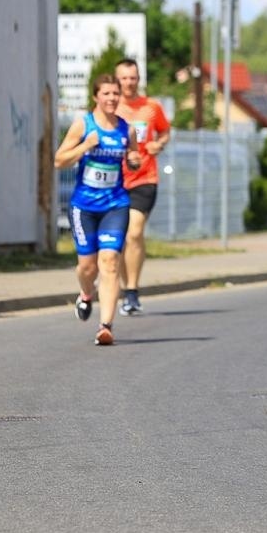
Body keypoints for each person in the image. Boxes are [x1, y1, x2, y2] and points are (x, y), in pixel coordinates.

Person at [53, 73, 141, 345]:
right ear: (96, 97)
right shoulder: (84, 125)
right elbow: (59, 161)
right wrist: (85, 146)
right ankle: (85, 293)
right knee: (87, 268)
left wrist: (134, 160)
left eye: (116, 93)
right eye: (106, 94)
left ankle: (106, 326)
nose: (112, 98)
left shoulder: (127, 130)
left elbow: (134, 157)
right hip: (84, 207)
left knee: (110, 262)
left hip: (115, 204)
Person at [115, 57, 171, 315]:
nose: (129, 83)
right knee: (121, 238)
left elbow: (165, 131)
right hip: (116, 180)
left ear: (139, 79)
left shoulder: (151, 107)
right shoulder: (111, 107)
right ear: (117, 80)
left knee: (134, 233)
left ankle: (132, 291)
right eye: (124, 78)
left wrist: (159, 144)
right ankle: (124, 288)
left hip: (145, 178)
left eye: (133, 78)